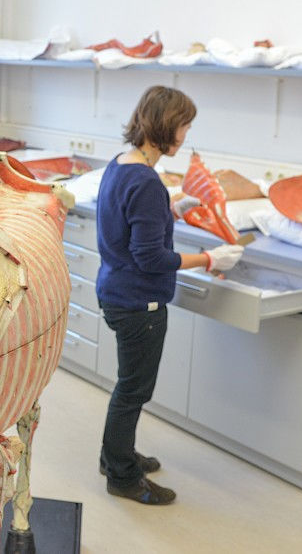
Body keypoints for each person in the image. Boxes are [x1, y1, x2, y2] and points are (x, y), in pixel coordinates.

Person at [95, 85, 243, 505]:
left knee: (129, 387)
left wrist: (172, 208)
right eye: (185, 125)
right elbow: (151, 257)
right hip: (138, 302)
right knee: (133, 391)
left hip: (116, 291)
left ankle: (116, 455)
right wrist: (209, 259)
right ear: (165, 126)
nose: (186, 133)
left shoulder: (121, 164)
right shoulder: (145, 181)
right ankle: (121, 476)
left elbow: (124, 224)